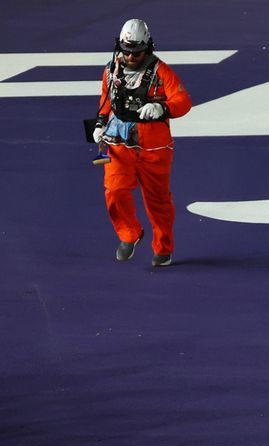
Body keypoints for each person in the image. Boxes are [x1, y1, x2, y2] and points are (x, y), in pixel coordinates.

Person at [92, 19, 192, 267]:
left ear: (147, 48)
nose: (131, 56)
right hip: (118, 141)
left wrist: (162, 107)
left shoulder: (161, 72)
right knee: (114, 190)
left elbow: (183, 101)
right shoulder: (110, 70)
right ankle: (129, 233)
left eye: (137, 52)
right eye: (127, 51)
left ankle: (164, 247)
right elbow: (107, 99)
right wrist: (99, 124)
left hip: (153, 145)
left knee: (158, 201)